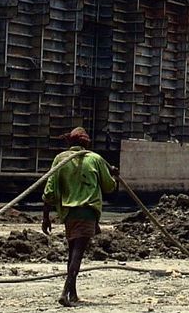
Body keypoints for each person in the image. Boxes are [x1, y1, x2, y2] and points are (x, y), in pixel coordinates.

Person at [42, 127, 118, 307]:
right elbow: (109, 187)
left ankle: (73, 293)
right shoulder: (95, 159)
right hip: (87, 211)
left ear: (70, 142)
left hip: (68, 213)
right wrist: (113, 176)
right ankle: (65, 293)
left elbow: (49, 191)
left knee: (72, 252)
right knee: (77, 253)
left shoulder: (60, 159)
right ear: (86, 143)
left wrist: (45, 217)